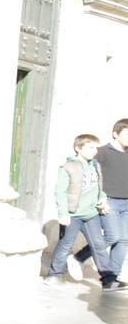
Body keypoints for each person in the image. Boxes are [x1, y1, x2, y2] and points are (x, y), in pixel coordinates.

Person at [46, 133, 119, 290]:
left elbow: (99, 187)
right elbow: (60, 192)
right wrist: (63, 213)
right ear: (78, 148)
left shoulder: (95, 165)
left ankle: (108, 280)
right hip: (73, 215)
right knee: (66, 244)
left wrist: (102, 200)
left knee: (99, 245)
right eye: (90, 147)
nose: (95, 151)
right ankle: (54, 275)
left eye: (96, 147)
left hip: (91, 214)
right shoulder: (68, 167)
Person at [73, 119, 128, 289]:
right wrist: (98, 199)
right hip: (108, 201)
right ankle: (78, 258)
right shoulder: (101, 152)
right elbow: (89, 174)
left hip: (126, 203)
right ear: (115, 133)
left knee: (124, 240)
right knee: (113, 236)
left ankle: (110, 279)